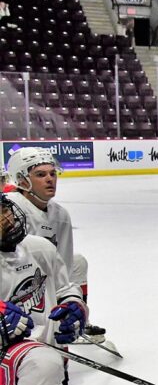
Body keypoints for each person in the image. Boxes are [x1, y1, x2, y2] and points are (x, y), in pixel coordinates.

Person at [0, 195, 88, 385]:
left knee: (43, 360)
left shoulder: (39, 248)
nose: (5, 220)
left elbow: (66, 287)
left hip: (26, 358)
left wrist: (75, 308)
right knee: (41, 360)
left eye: (3, 210)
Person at [6, 147, 104, 343]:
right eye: (41, 175)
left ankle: (73, 320)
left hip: (41, 277)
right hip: (12, 285)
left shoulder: (60, 215)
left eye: (52, 173)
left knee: (78, 262)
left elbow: (63, 267)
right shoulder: (8, 210)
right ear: (22, 180)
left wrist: (70, 304)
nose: (50, 179)